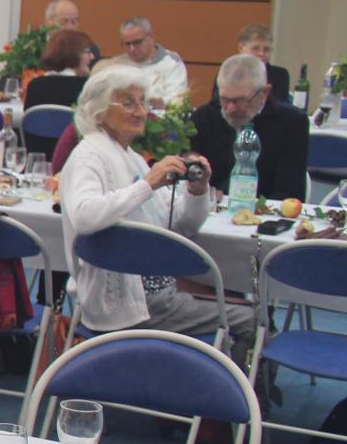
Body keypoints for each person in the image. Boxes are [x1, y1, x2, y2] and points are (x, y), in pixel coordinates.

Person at [60, 66, 252, 347]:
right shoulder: (89, 155)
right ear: (98, 111)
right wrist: (148, 183)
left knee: (236, 304)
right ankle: (239, 391)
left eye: (143, 102)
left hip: (152, 293)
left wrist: (197, 191)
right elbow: (84, 217)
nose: (140, 112)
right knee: (250, 319)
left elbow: (183, 226)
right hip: (132, 302)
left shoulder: (131, 157)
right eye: (128, 103)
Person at [190, 54, 309, 202]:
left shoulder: (292, 122)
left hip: (264, 215)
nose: (230, 109)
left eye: (240, 101)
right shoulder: (203, 117)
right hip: (207, 212)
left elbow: (290, 193)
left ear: (264, 93)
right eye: (225, 100)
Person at [102, 17, 188, 104]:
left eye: (137, 42)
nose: (132, 49)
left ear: (151, 37)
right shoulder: (117, 64)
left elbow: (177, 99)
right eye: (127, 44)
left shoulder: (171, 62)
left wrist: (150, 103)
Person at [24, 29, 96, 110]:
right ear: (72, 54)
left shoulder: (35, 85)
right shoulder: (86, 87)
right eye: (88, 51)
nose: (92, 56)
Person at [229, 23, 291, 104]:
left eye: (266, 49)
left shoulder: (280, 75)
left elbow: (279, 108)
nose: (261, 53)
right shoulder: (228, 73)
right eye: (255, 48)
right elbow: (218, 106)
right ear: (241, 48)